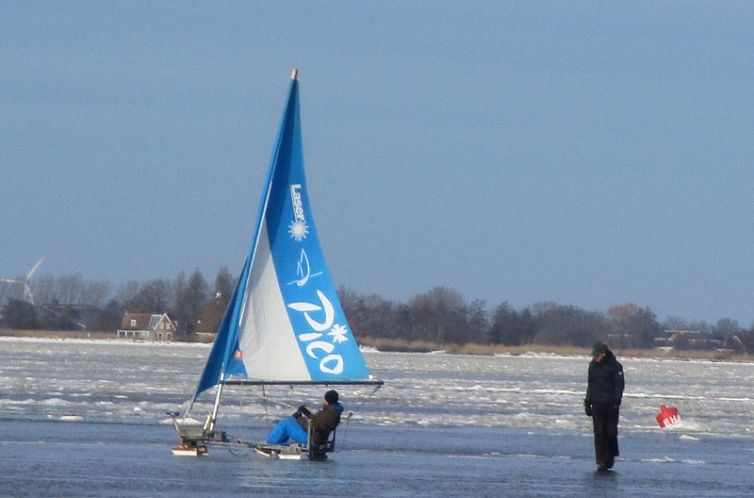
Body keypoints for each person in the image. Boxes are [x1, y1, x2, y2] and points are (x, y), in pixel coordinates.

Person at [584, 342, 624, 472]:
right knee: (599, 432)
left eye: (597, 355)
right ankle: (601, 459)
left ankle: (610, 456)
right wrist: (587, 402)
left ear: (603, 353)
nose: (596, 358)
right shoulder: (592, 366)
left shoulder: (616, 366)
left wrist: (616, 400)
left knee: (611, 431)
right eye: (594, 356)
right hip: (597, 404)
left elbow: (619, 385)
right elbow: (590, 384)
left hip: (611, 404)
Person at [266, 389, 344, 446]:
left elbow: (311, 425)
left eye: (324, 399)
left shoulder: (327, 414)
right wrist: (305, 411)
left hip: (312, 440)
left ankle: (271, 444)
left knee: (284, 424)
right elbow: (316, 420)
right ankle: (278, 442)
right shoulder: (333, 411)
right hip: (318, 438)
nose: (323, 401)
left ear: (327, 401)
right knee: (290, 420)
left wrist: (299, 418)